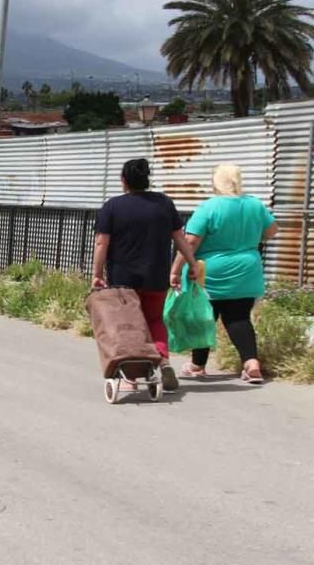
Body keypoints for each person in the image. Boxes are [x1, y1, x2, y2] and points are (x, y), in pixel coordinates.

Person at [92, 158, 199, 391]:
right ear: (147, 179)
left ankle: (131, 378)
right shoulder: (163, 203)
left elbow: (102, 243)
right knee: (154, 319)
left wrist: (97, 274)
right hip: (156, 275)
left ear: (123, 181)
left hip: (123, 278)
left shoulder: (112, 206)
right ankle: (163, 360)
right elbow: (179, 237)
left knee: (129, 325)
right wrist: (191, 264)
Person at [170, 164, 278, 384]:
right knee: (239, 317)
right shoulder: (255, 205)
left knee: (204, 316)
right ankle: (251, 363)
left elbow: (190, 241)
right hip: (247, 269)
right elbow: (272, 231)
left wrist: (175, 269)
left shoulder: (209, 207)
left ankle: (197, 366)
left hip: (211, 272)